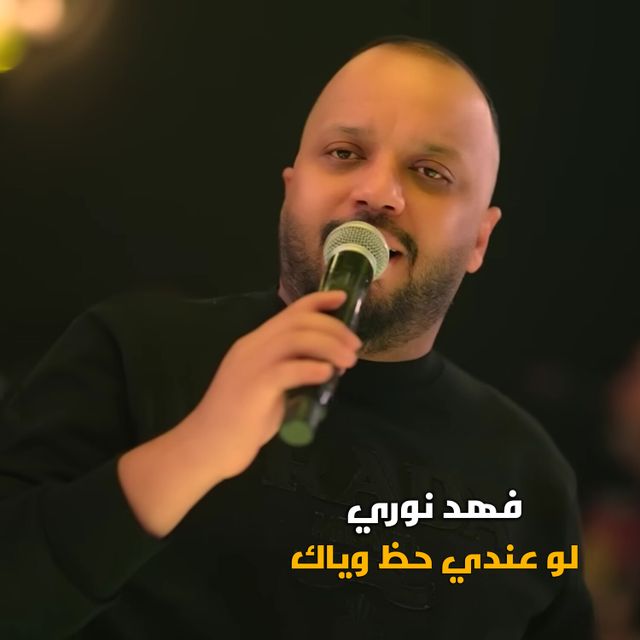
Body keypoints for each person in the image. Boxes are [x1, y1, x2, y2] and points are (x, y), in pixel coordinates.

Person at [0, 35, 594, 638]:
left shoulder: (530, 476)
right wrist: (197, 447)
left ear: (479, 241)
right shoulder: (133, 352)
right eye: (344, 153)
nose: (377, 193)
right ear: (292, 189)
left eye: (429, 173)